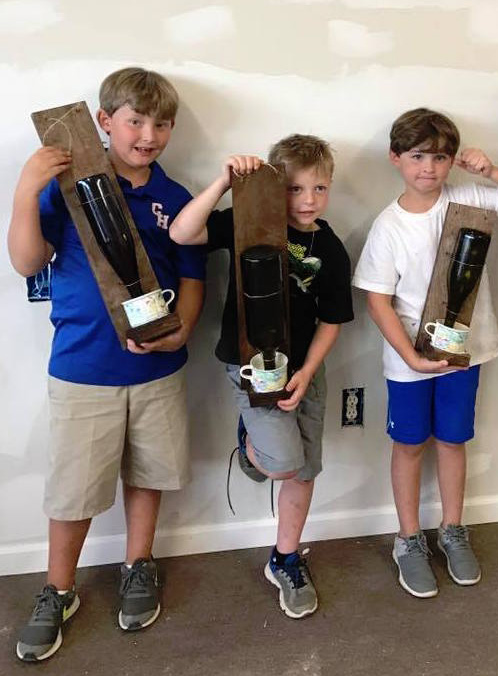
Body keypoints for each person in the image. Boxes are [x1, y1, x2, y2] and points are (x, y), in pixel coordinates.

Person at [8, 67, 205, 661]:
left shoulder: (175, 198)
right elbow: (25, 262)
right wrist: (24, 189)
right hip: (82, 369)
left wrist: (182, 334)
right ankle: (58, 589)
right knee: (73, 491)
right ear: (104, 121)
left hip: (157, 371)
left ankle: (138, 566)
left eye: (161, 123)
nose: (148, 134)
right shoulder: (65, 188)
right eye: (135, 121)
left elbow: (193, 278)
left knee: (148, 473)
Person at [352, 107, 498, 598]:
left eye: (440, 157)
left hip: (467, 351)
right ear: (396, 158)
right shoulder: (389, 226)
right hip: (409, 361)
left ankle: (453, 530)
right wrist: (411, 357)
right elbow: (377, 301)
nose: (429, 168)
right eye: (418, 156)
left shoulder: (471, 199)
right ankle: (409, 538)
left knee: (454, 440)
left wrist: (491, 171)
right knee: (410, 444)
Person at [169, 134, 353, 618]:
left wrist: (308, 371)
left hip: (305, 369)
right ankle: (251, 438)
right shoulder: (249, 222)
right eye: (294, 189)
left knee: (306, 469)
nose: (307, 200)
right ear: (275, 189)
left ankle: (285, 558)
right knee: (283, 462)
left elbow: (333, 320)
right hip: (252, 365)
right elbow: (183, 234)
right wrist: (224, 184)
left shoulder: (330, 248)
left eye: (318, 189)